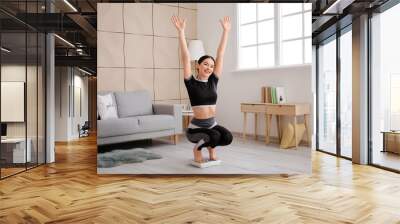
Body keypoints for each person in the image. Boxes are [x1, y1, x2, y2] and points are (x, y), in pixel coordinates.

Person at [171, 15, 233, 163]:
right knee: (215, 136)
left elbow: (221, 55)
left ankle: (211, 146)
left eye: (211, 66)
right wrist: (181, 32)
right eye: (205, 64)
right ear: (198, 65)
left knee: (227, 137)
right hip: (195, 129)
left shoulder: (213, 81)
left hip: (212, 124)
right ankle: (197, 148)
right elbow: (185, 57)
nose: (209, 68)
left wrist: (226, 31)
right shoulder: (191, 82)